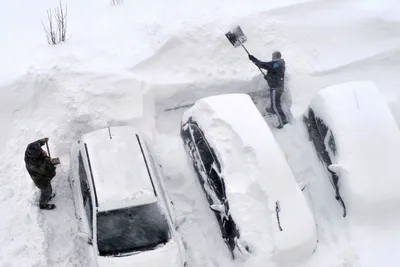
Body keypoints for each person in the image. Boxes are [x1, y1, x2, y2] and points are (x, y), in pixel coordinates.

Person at [248, 51, 289, 128]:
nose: (272, 57)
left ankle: (283, 122)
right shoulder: (280, 63)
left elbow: (262, 64)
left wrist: (253, 59)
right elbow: (275, 73)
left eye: (273, 56)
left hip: (275, 88)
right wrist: (269, 78)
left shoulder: (276, 63)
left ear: (275, 56)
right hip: (278, 86)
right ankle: (272, 109)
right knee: (276, 102)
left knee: (276, 106)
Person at [25, 137, 58, 210]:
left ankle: (48, 196)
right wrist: (50, 162)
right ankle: (43, 204)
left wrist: (42, 141)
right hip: (40, 179)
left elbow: (35, 144)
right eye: (40, 153)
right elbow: (45, 169)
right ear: (36, 155)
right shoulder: (33, 164)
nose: (42, 152)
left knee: (49, 189)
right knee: (46, 190)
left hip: (42, 175)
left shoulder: (30, 149)